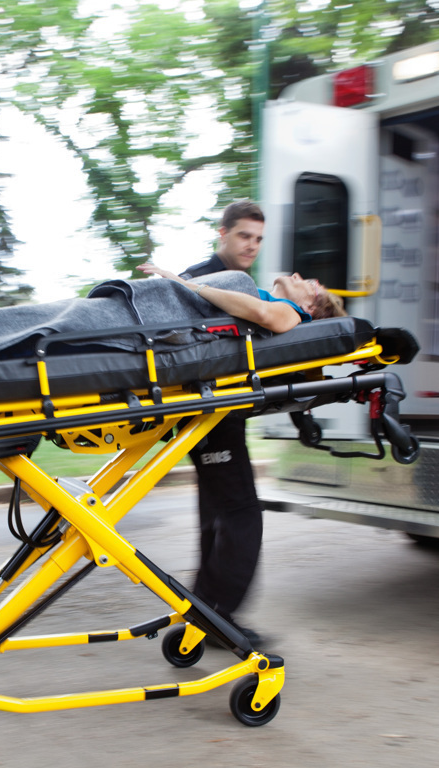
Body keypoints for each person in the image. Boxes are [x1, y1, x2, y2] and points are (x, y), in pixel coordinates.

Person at [138, 201, 345, 651]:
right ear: (223, 234)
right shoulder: (208, 279)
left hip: (221, 413)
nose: (251, 245)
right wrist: (176, 280)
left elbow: (280, 362)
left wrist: (303, 414)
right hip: (207, 412)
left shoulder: (247, 287)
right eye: (244, 236)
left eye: (258, 238)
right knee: (239, 514)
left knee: (217, 514)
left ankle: (207, 610)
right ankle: (219, 617)